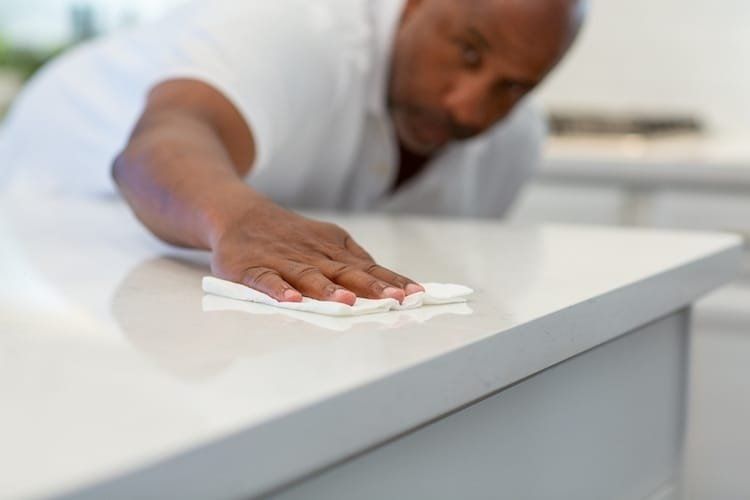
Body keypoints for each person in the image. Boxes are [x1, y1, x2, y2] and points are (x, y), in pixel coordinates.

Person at [0, 0, 585, 305]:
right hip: (55, 196)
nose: (469, 108)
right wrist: (242, 218)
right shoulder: (303, 24)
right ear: (411, 6)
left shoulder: (513, 146)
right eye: (468, 50)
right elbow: (162, 141)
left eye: (514, 87)